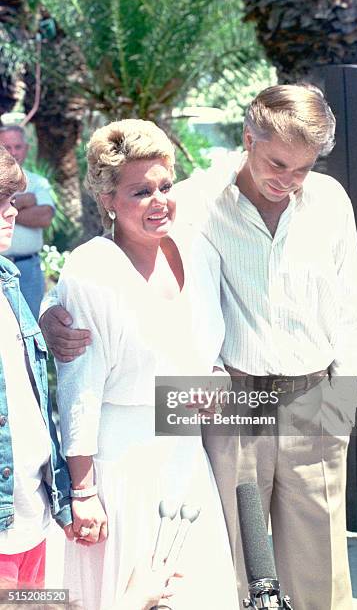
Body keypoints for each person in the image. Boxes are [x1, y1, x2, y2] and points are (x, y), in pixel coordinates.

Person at [40, 85, 357, 610]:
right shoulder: (193, 201)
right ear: (247, 140)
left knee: (320, 575)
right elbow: (105, 265)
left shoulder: (331, 202)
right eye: (276, 163)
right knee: (234, 564)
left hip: (314, 402)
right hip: (232, 403)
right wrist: (49, 314)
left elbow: (353, 300)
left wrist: (344, 400)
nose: (286, 181)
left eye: (302, 169)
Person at [49, 119, 239, 610]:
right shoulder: (91, 271)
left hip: (186, 460)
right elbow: (80, 390)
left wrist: (213, 377)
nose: (159, 201)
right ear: (108, 200)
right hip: (122, 470)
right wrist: (84, 490)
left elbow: (206, 348)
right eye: (140, 192)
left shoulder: (198, 251)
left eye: (165, 186)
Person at [0, 145, 73, 589]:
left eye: (10, 199)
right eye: (0, 201)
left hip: (33, 519)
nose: (11, 212)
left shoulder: (9, 283)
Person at [0, 125, 55, 319]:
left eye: (18, 146)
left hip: (28, 269)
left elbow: (45, 217)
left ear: (26, 148)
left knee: (30, 329)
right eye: (7, 147)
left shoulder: (38, 182)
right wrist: (25, 201)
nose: (13, 152)